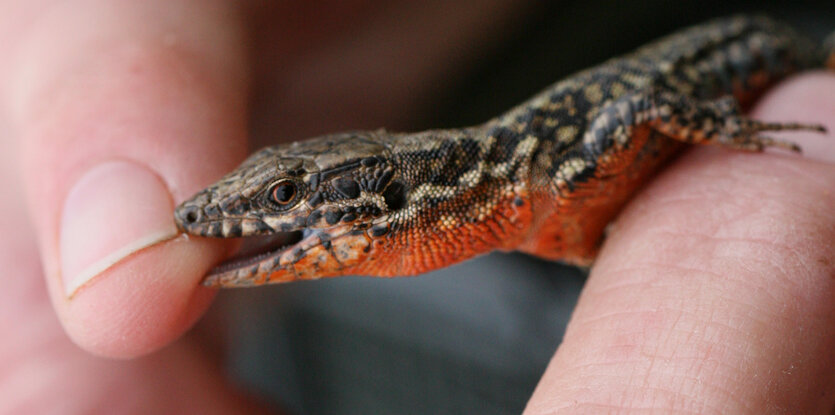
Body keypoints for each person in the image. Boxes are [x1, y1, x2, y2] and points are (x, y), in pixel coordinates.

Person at [1, 1, 833, 413]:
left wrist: (736, 131)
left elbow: (642, 106)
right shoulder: (511, 207)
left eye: (286, 197)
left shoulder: (546, 171)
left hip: (775, 41)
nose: (230, 221)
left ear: (388, 192)